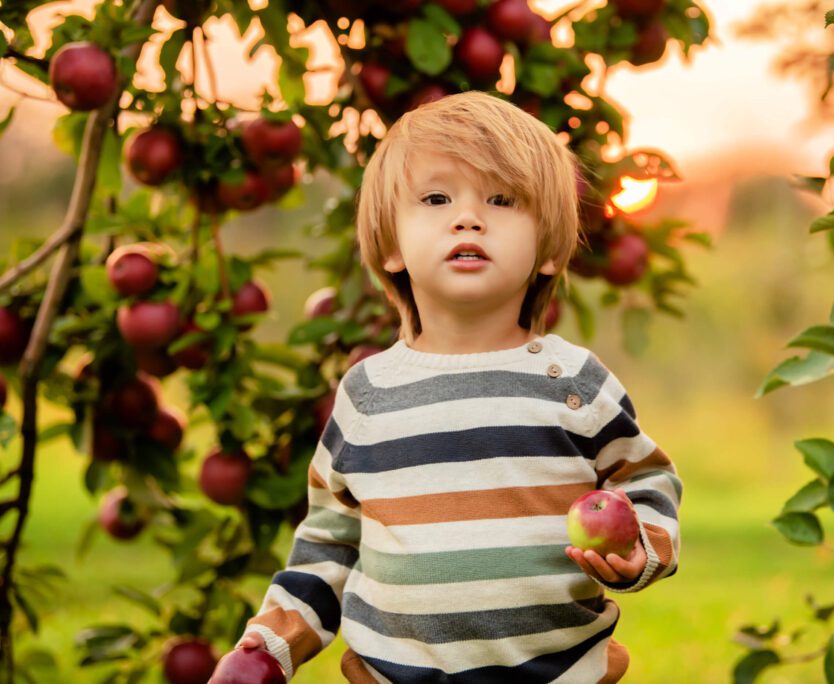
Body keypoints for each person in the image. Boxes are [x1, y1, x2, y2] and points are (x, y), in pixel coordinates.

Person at [232, 91, 681, 682]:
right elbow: (329, 542)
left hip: (556, 672)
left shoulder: (570, 382)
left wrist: (637, 549)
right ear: (391, 246)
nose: (468, 218)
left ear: (546, 249)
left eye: (501, 200)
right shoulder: (367, 395)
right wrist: (270, 645)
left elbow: (646, 480)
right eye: (437, 198)